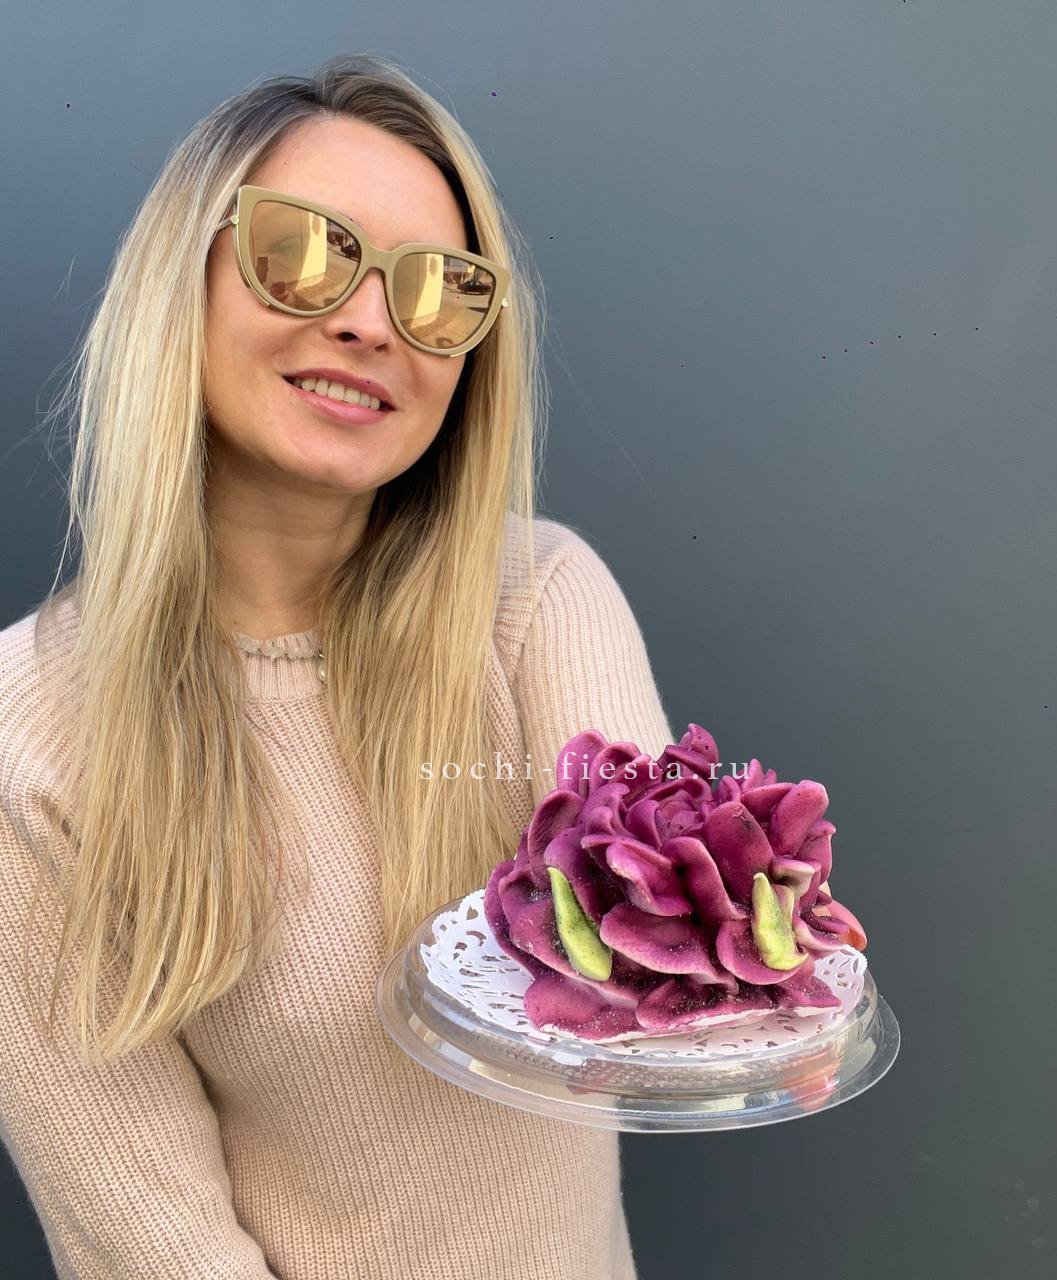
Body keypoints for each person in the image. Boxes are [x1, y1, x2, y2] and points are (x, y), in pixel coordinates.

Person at [0, 53, 673, 1280]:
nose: (371, 322)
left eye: (441, 291)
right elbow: (152, 1244)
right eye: (303, 252)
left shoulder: (538, 601)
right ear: (185, 275)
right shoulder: (31, 735)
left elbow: (662, 942)